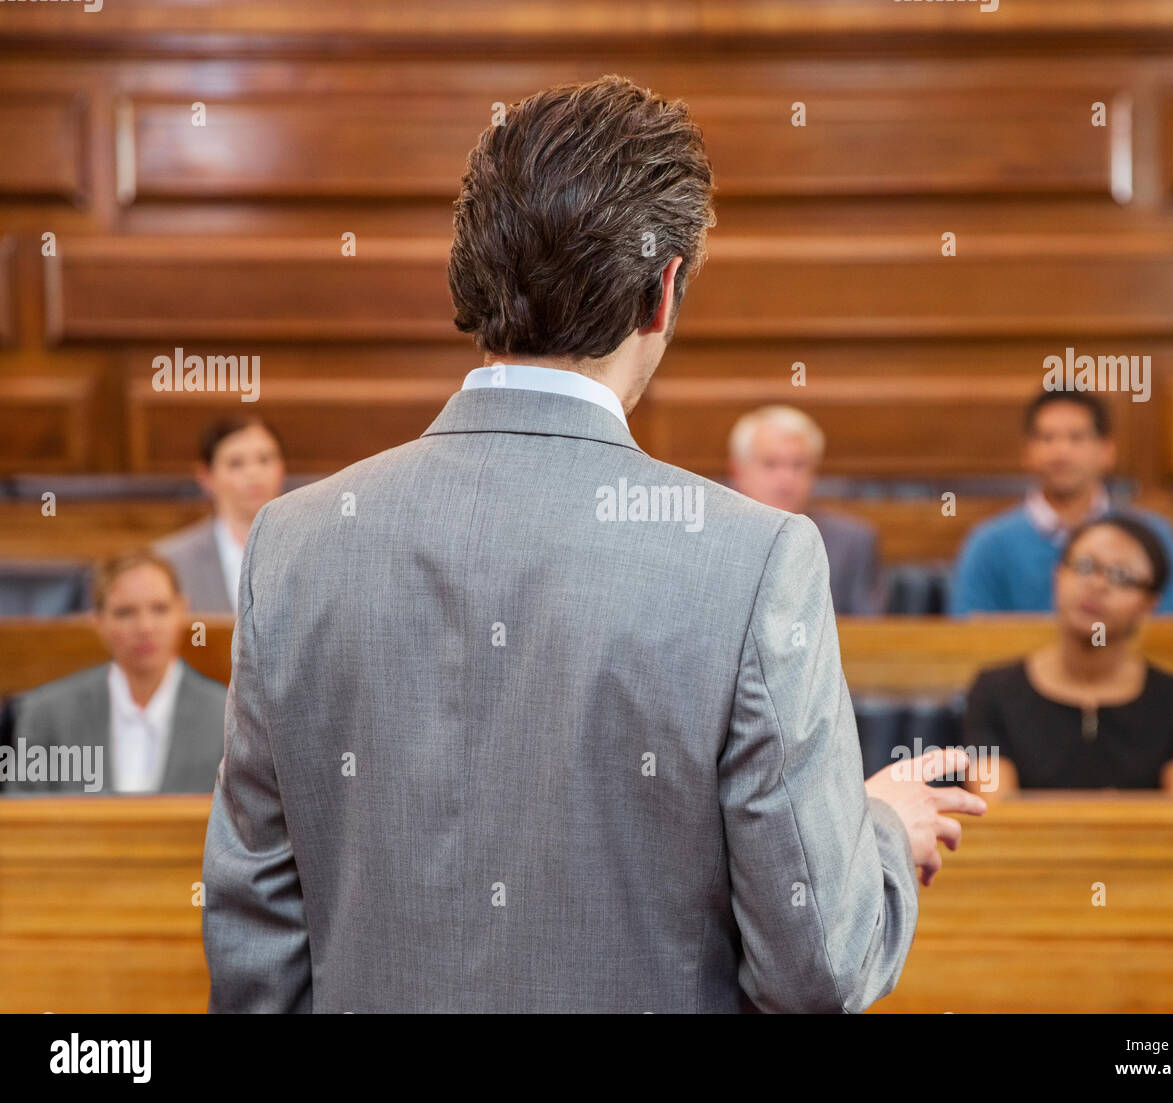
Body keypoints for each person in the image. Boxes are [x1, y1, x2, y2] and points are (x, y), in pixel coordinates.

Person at [201, 75, 985, 1014]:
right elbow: (815, 966)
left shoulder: (292, 542)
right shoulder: (755, 559)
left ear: (471, 273)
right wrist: (882, 835)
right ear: (663, 292)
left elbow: (255, 950)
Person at [962, 515, 1173, 798]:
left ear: (1149, 604)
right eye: (1085, 566)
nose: (1097, 584)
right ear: (1058, 576)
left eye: (1121, 576)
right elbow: (995, 810)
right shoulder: (995, 692)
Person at [951, 391, 1173, 616]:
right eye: (1047, 438)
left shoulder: (1153, 536)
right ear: (1027, 453)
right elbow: (968, 638)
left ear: (1107, 451)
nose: (1061, 452)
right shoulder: (988, 543)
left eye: (1076, 438)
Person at [5, 551, 227, 796]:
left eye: (160, 609)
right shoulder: (48, 714)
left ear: (182, 610)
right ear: (98, 621)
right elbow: (20, 820)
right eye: (125, 612)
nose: (145, 627)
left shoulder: (227, 716)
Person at [729, 405, 881, 615]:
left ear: (814, 473)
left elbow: (870, 636)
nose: (786, 480)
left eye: (799, 465)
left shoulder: (851, 542)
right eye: (770, 464)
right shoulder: (713, 539)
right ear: (739, 471)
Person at [154, 416, 285, 614]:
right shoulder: (169, 562)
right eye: (236, 463)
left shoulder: (312, 553)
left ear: (281, 468)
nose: (253, 473)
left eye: (265, 459)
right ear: (206, 476)